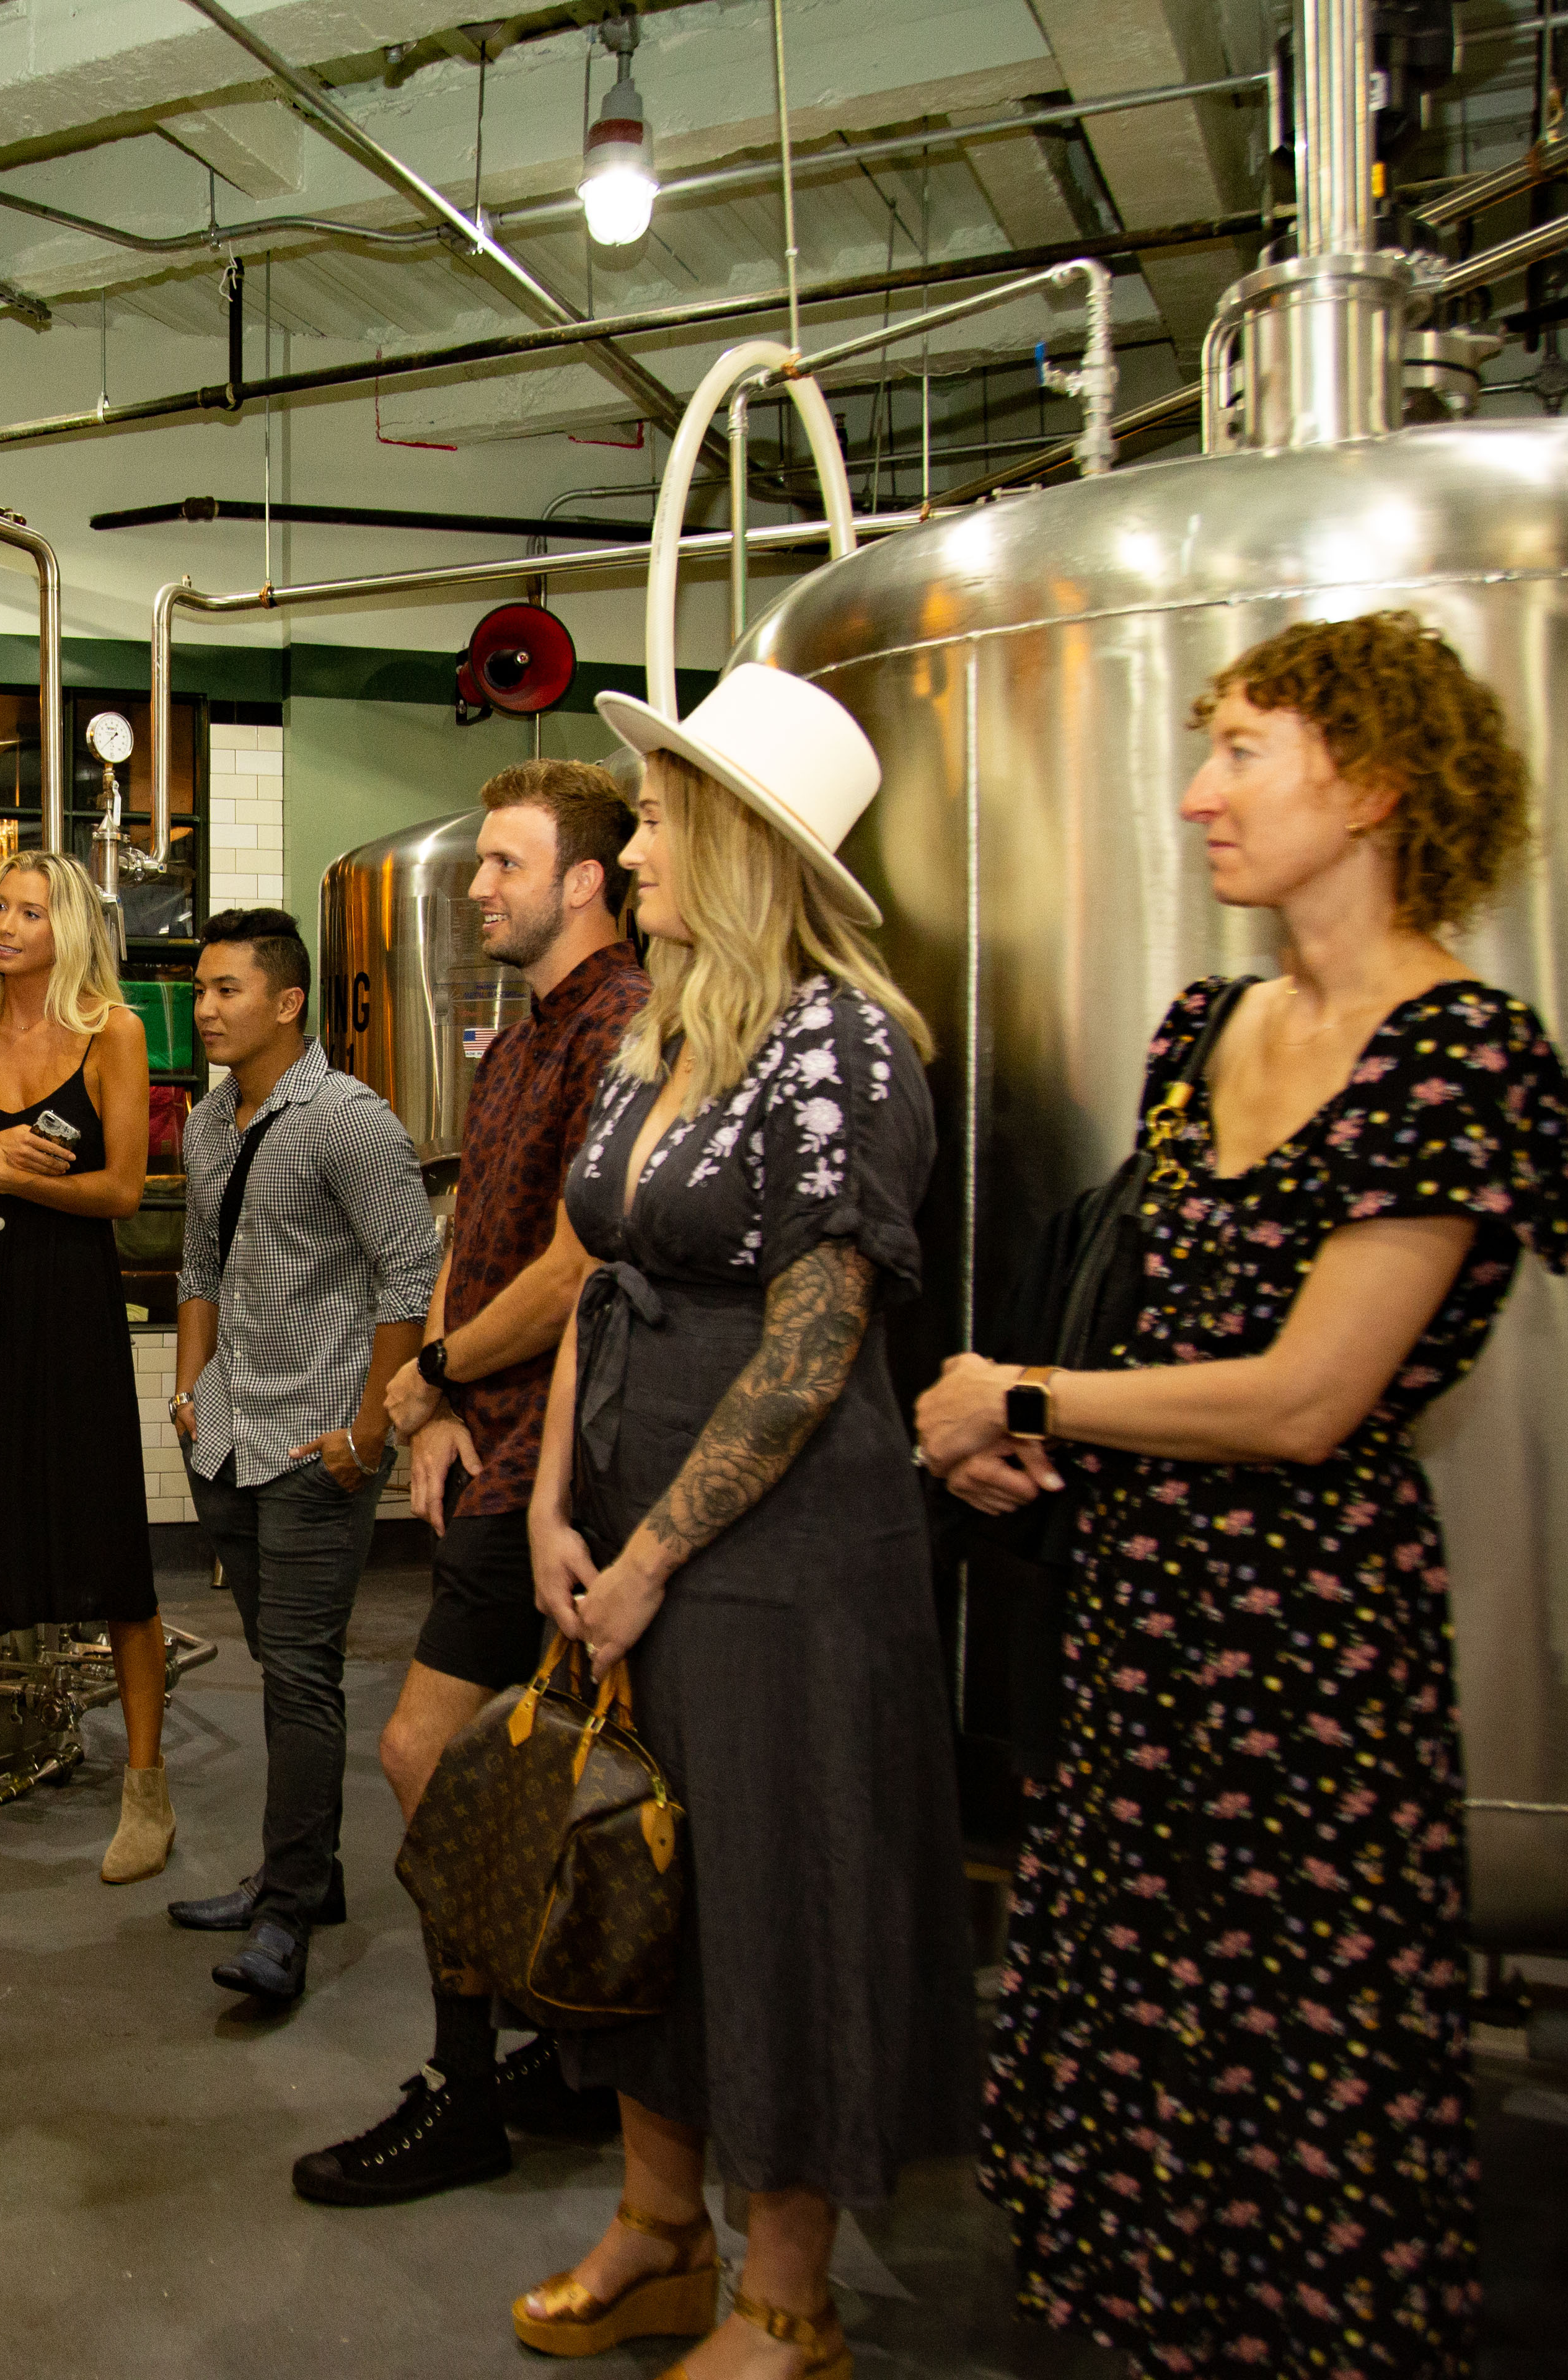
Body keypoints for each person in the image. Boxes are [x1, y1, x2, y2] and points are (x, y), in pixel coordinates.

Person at [915, 611, 1568, 2374]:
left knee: (1300, 2070)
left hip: (1310, 1662)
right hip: (1141, 1628)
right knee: (1136, 2058)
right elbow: (1174, 1331)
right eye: (1204, 746)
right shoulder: (1202, 1029)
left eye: (1244, 752)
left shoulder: (1461, 1057)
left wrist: (1032, 1389)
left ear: (1371, 786)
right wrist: (1038, 1442)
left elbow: (1306, 1400)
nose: (1199, 794)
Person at [491, 666, 970, 2373]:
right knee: (647, 1886)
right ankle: (657, 2230)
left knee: (781, 1897)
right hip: (624, 1525)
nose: (633, 849)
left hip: (779, 1560)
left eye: (668, 814)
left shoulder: (842, 1042)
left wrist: (651, 1556)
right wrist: (556, 1506)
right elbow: (606, 1280)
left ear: (749, 845)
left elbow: (819, 1335)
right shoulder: (658, 1038)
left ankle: (788, 2297)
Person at [292, 759, 645, 2202]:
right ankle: (565, 2063)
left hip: (560, 1459)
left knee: (427, 1753)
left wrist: (438, 1387)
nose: (479, 889)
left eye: (505, 865)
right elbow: (472, 1234)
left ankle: (467, 2089)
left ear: (585, 883)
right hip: (485, 1447)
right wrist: (430, 1399)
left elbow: (575, 1270)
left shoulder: (622, 1032)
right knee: (538, 1764)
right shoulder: (515, 1039)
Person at [164, 908, 440, 2002]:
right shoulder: (206, 1125)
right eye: (200, 989)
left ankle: (286, 1917)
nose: (205, 1009)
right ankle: (304, 1873)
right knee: (278, 1667)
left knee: (305, 1682)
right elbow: (198, 1267)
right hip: (228, 1434)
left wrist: (372, 1430)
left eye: (228, 989)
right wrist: (189, 1396)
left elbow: (407, 1279)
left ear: (288, 1002)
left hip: (318, 1444)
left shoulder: (350, 1121)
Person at [0, 849, 169, 1882]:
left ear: (72, 931)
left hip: (71, 1310)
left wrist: (5, 1172)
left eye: (33, 912)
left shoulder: (113, 1033)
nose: (8, 925)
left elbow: (125, 1193)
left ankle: (147, 1792)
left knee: (112, 1555)